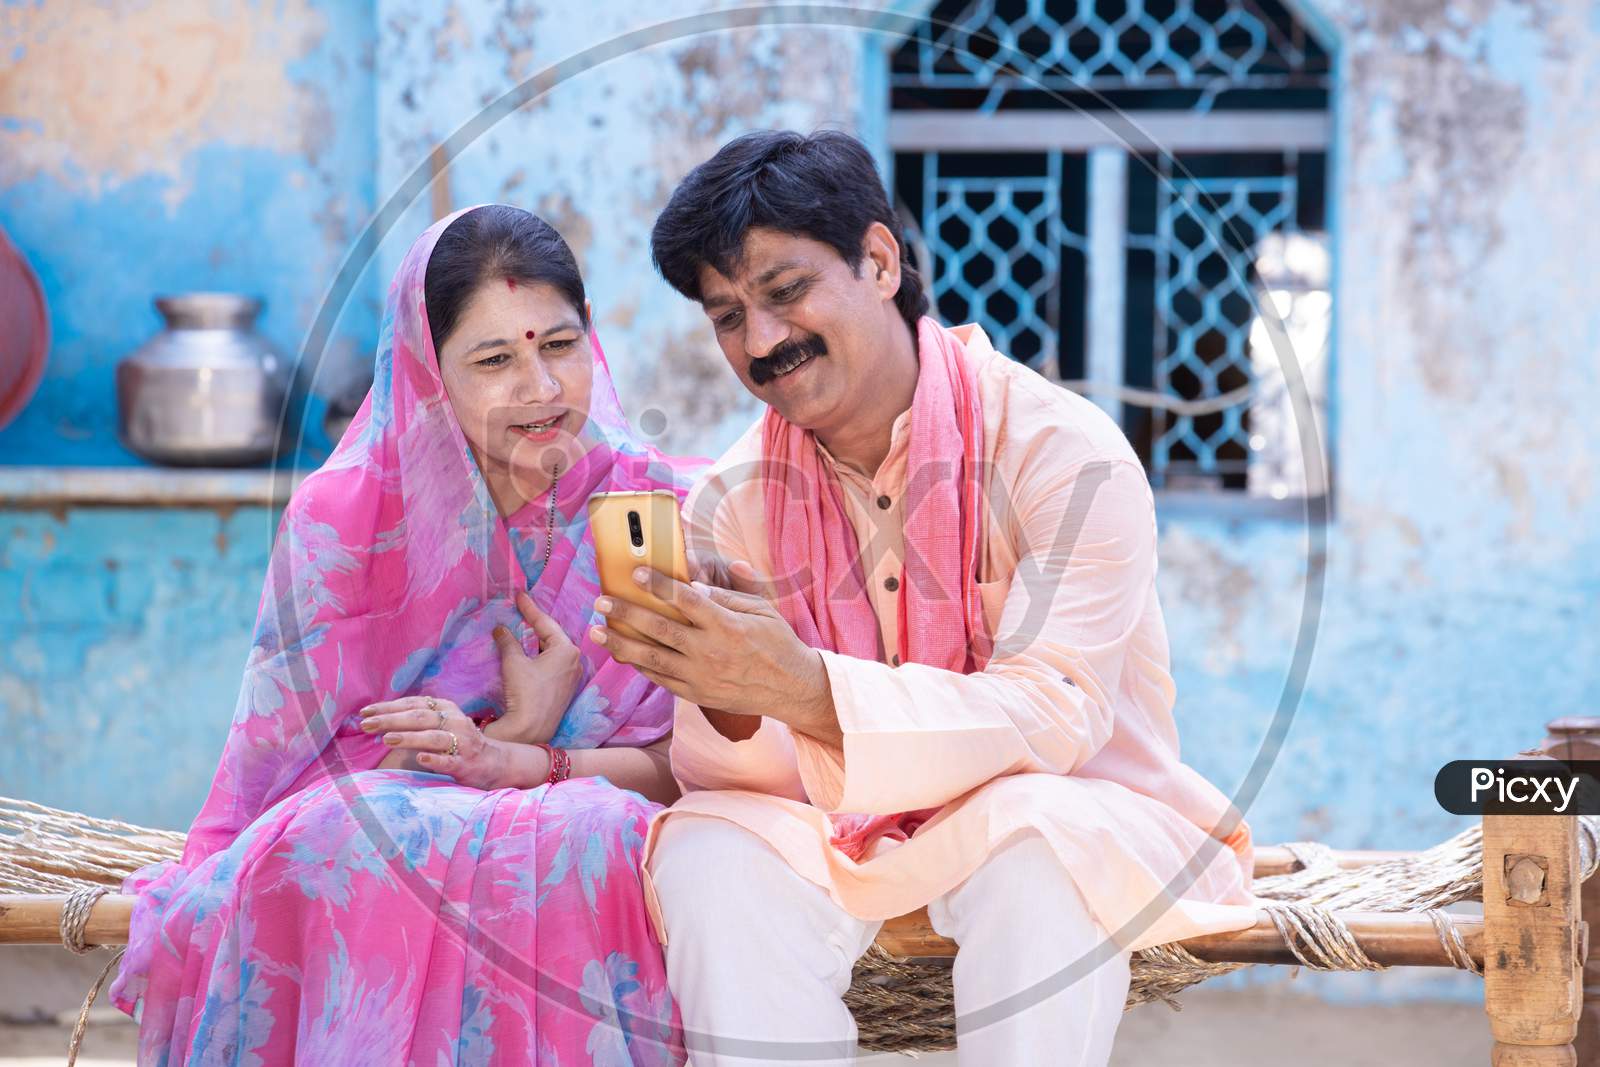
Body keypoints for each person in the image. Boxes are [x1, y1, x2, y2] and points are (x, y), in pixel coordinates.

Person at [589, 130, 1259, 1066]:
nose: (762, 341)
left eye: (784, 292)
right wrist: (732, 701)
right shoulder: (731, 501)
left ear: (880, 259)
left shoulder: (1064, 453)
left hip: (1073, 808)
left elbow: (1052, 716)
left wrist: (805, 689)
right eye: (727, 316)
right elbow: (753, 782)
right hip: (854, 838)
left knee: (1039, 837)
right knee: (708, 847)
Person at [109, 205, 694, 1066]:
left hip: (581, 833)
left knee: (596, 834)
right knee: (364, 837)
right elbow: (290, 791)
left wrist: (527, 764)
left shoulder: (641, 511)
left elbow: (682, 771)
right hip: (376, 845)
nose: (541, 388)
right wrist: (495, 743)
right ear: (427, 372)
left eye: (559, 346)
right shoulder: (345, 524)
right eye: (495, 359)